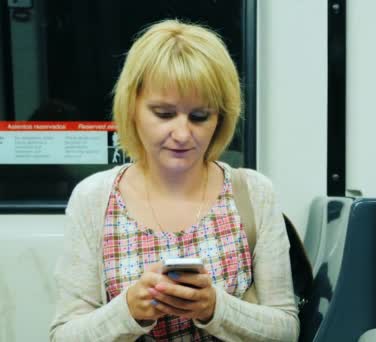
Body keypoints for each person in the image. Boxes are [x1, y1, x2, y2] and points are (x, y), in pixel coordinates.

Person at [49, 19, 299, 341]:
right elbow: (63, 336)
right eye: (164, 114)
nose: (182, 135)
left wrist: (214, 308)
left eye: (199, 117)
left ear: (220, 117)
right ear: (133, 108)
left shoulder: (253, 194)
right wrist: (129, 310)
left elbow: (286, 329)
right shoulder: (94, 198)